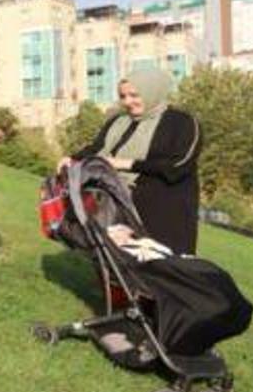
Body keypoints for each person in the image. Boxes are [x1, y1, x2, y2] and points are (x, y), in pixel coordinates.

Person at [59, 67, 203, 255]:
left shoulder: (181, 122)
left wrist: (126, 164)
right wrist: (72, 159)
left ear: (152, 90)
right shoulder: (118, 122)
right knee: (116, 260)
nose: (127, 102)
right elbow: (96, 150)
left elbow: (179, 165)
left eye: (134, 95)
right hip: (119, 206)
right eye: (123, 96)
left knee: (162, 263)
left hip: (165, 212)